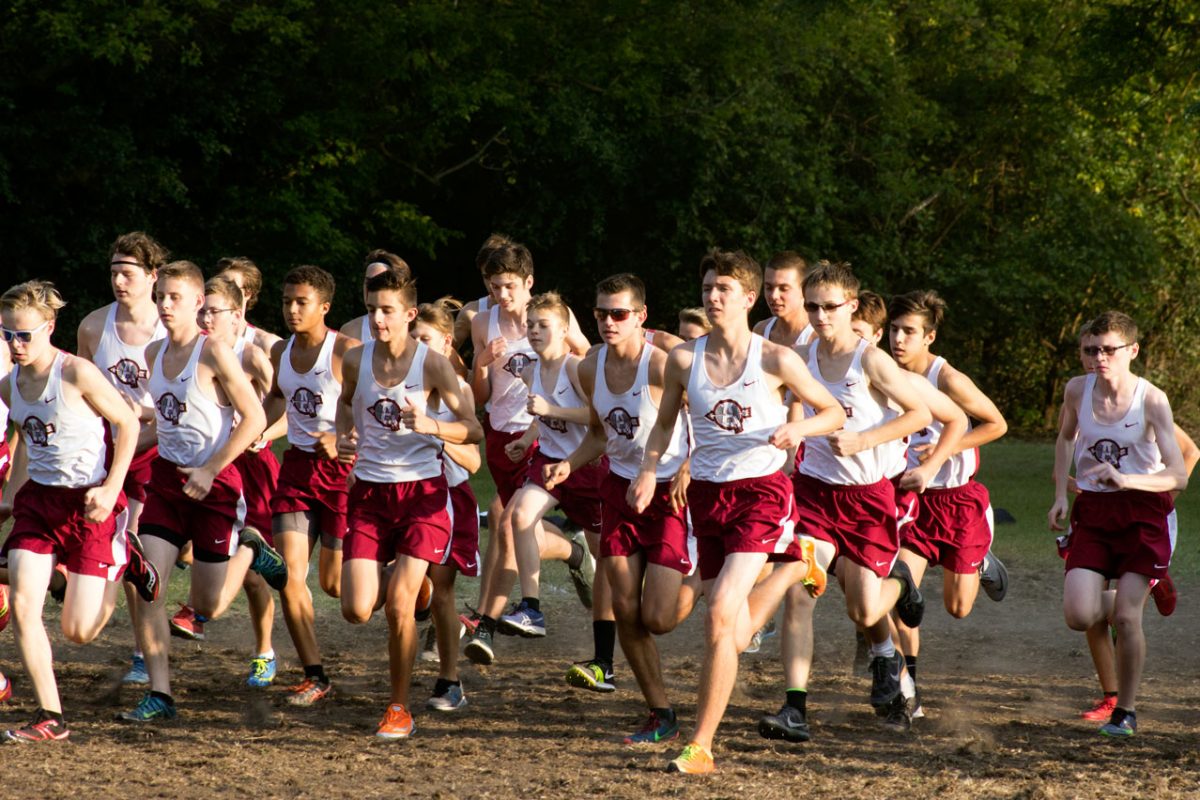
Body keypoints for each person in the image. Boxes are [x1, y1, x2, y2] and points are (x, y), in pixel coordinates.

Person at [631, 249, 844, 774]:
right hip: (707, 496)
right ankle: (799, 563)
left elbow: (835, 411)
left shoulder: (776, 359)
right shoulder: (684, 360)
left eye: (724, 289)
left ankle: (701, 744)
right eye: (707, 289)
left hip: (762, 493)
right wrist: (646, 470)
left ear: (749, 298)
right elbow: (662, 426)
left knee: (721, 611)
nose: (713, 297)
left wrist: (798, 429)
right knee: (733, 628)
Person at [759, 263, 940, 742]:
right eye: (813, 305)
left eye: (830, 306)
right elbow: (794, 400)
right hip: (814, 494)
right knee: (801, 590)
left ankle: (897, 594)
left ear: (852, 306)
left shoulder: (871, 361)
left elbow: (921, 413)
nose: (820, 315)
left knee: (863, 610)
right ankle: (795, 707)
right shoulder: (801, 352)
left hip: (866, 498)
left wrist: (865, 440)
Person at [120, 261, 286, 723]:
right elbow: (169, 423)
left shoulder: (213, 352)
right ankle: (160, 693)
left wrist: (211, 469)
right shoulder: (153, 354)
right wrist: (121, 445)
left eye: (175, 297)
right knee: (148, 583)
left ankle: (250, 547)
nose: (165, 305)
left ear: (198, 302)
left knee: (207, 605)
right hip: (168, 484)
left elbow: (253, 417)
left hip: (216, 487)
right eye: (161, 297)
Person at [0, 280, 159, 741]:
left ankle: (124, 557)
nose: (16, 344)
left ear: (49, 327)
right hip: (40, 506)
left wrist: (111, 489)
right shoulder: (10, 385)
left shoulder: (77, 373)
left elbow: (127, 423)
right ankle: (51, 715)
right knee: (26, 605)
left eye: (25, 334)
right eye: (8, 334)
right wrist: (13, 493)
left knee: (79, 632)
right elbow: (27, 436)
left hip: (91, 503)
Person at [545, 272, 699, 742]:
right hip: (618, 491)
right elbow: (598, 433)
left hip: (669, 493)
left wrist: (690, 467)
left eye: (619, 314)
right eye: (601, 314)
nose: (609, 322)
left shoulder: (663, 365)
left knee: (659, 617)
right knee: (624, 609)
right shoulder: (589, 367)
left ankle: (705, 573)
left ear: (641, 317)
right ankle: (661, 713)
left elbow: (707, 423)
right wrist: (569, 465)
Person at [335, 268, 483, 739]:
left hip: (422, 495)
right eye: (372, 309)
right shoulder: (356, 361)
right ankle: (409, 581)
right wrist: (345, 436)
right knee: (357, 609)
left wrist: (432, 427)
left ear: (410, 313)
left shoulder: (432, 365)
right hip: (370, 496)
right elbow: (343, 405)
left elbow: (473, 430)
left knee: (399, 607)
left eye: (388, 311)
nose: (378, 319)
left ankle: (398, 707)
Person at [1049, 311, 1187, 737]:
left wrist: (1128, 479)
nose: (1099, 358)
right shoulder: (1077, 390)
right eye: (1092, 350)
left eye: (1109, 350)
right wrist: (1058, 492)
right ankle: (1146, 590)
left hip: (1144, 514)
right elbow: (1065, 438)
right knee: (1079, 614)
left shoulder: (1152, 399)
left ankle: (1124, 711)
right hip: (1093, 511)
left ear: (1132, 351)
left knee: (1127, 619)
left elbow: (1179, 474)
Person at [461, 241, 589, 664]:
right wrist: (481, 360)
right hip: (501, 435)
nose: (502, 295)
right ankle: (574, 551)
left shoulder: (554, 319)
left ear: (529, 282)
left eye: (511, 286)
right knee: (516, 526)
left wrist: (553, 410)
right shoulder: (483, 322)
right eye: (495, 286)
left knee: (505, 522)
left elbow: (587, 362)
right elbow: (479, 395)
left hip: (544, 435)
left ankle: (489, 623)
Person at [886, 290, 1010, 716]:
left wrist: (948, 447)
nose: (898, 340)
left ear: (930, 337)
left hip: (958, 503)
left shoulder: (949, 380)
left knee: (958, 608)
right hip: (912, 506)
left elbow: (997, 424)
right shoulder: (882, 373)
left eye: (909, 332)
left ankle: (982, 561)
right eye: (894, 330)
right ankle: (909, 693)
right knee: (899, 592)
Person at [172, 276, 280, 688]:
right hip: (205, 464)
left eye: (212, 310)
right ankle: (197, 612)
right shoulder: (195, 352)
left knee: (252, 577)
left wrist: (266, 433)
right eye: (202, 310)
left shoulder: (251, 355)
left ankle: (263, 652)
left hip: (249, 467)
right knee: (189, 543)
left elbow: (280, 402)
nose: (204, 317)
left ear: (237, 312)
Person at [76, 231, 169, 685]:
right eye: (114, 272)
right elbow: (78, 392)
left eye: (128, 273)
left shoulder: (172, 326)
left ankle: (142, 651)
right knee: (119, 545)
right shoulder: (94, 326)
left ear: (152, 276)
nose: (119, 281)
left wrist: (143, 415)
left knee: (138, 546)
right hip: (107, 453)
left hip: (156, 451)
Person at [496, 292, 607, 668]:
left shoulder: (576, 368)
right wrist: (526, 440)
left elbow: (598, 419)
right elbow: (538, 416)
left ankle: (613, 629)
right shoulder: (529, 370)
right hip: (548, 462)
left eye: (543, 326)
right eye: (530, 326)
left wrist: (552, 409)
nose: (534, 332)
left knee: (607, 560)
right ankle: (532, 608)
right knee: (519, 517)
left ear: (563, 330)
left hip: (588, 467)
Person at [266, 265, 360, 706]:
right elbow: (274, 400)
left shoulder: (348, 351)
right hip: (297, 472)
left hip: (344, 474)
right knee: (288, 576)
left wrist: (341, 438)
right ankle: (315, 675)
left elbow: (377, 407)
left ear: (324, 306)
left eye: (301, 302)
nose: (291, 309)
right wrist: (252, 431)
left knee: (335, 587)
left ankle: (416, 587)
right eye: (286, 301)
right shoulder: (280, 352)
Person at [409, 298, 481, 710]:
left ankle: (450, 682)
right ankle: (432, 623)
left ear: (446, 342)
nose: (418, 345)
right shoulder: (400, 384)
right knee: (409, 589)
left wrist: (437, 433)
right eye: (413, 337)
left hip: (451, 500)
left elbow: (473, 460)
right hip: (408, 498)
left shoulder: (460, 389)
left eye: (426, 339)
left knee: (441, 592)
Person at [340, 250, 412, 343]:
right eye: (368, 281)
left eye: (379, 282)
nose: (371, 288)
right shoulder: (350, 331)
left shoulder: (417, 331)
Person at [216, 257, 283, 354]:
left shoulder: (267, 344)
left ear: (248, 293)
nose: (222, 289)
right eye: (219, 284)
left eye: (231, 285)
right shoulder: (199, 339)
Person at [753, 251, 814, 348]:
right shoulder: (760, 330)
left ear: (804, 289)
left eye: (783, 289)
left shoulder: (816, 338)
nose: (774, 296)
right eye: (769, 288)